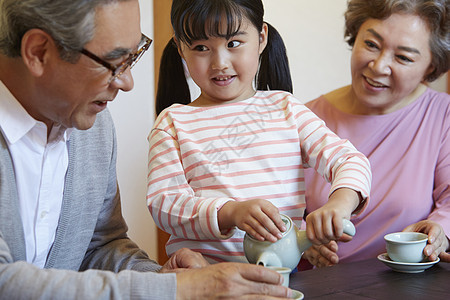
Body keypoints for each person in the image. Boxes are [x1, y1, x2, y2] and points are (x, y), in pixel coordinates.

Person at [0, 0, 294, 299]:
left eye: (133, 56)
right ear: (38, 52)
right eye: (114, 62)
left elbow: (101, 246)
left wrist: (161, 276)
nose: (127, 82)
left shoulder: (95, 130)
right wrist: (180, 289)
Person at [147, 0, 372, 265]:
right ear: (181, 49)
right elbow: (164, 203)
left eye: (233, 43)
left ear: (261, 37)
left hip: (281, 278)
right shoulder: (172, 123)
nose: (219, 63)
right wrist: (229, 212)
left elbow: (349, 159)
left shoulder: (285, 109)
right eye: (200, 48)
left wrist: (338, 206)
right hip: (205, 279)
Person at [302, 0, 450, 268]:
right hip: (319, 284)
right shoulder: (304, 118)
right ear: (355, 34)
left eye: (403, 57)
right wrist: (302, 241)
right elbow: (276, 206)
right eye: (371, 44)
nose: (379, 66)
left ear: (431, 67)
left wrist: (438, 231)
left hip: (408, 285)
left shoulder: (443, 116)